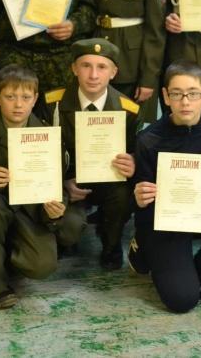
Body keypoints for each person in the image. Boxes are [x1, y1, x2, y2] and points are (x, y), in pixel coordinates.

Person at [130, 62, 201, 313]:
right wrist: (138, 198)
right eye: (176, 94)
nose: (185, 102)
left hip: (200, 211)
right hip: (164, 220)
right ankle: (143, 247)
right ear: (165, 96)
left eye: (193, 93)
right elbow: (142, 204)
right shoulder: (148, 139)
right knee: (181, 300)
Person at [0, 65, 78, 310]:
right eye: (10, 97)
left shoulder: (47, 134)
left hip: (30, 210)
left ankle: (0, 258)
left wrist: (55, 210)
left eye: (26, 97)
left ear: (35, 99)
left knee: (42, 265)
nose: (18, 104)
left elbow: (55, 183)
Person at [42, 38, 139, 270]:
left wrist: (132, 161)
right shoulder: (52, 104)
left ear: (113, 72)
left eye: (102, 67)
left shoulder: (128, 109)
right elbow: (42, 153)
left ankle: (111, 244)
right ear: (74, 68)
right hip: (67, 180)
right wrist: (63, 183)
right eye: (86, 65)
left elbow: (134, 150)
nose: (93, 75)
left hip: (107, 181)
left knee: (123, 194)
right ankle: (62, 237)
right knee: (69, 230)